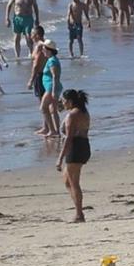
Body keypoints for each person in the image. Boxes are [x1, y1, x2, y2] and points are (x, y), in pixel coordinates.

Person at [56, 89, 90, 222]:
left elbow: (69, 138)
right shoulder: (83, 112)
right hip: (84, 145)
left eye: (64, 102)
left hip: (75, 147)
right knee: (67, 180)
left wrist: (59, 158)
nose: (63, 104)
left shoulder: (72, 115)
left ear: (70, 101)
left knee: (74, 182)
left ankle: (79, 214)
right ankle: (78, 208)